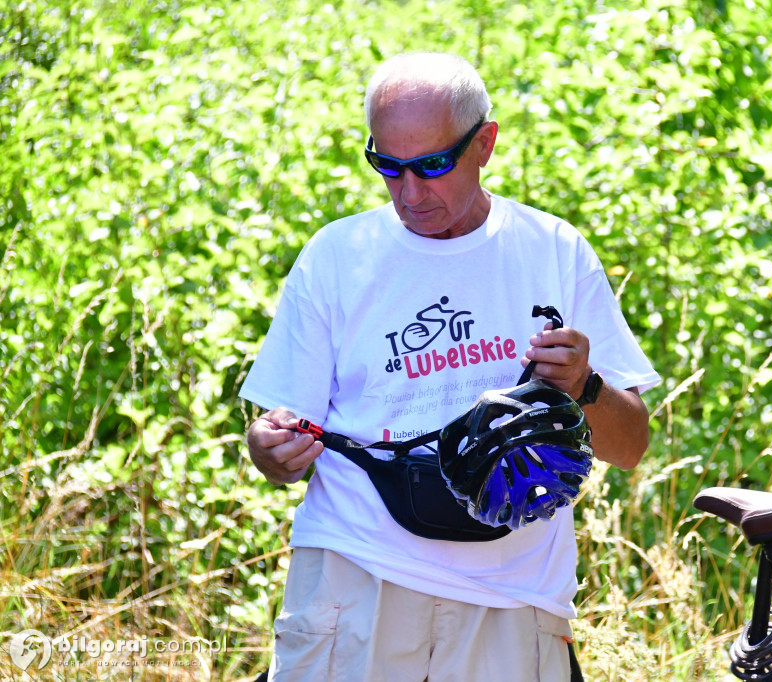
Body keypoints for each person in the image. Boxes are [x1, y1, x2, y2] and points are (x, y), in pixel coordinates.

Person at [241, 52, 659, 681]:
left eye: (433, 165)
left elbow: (630, 446)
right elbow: (279, 436)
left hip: (514, 594)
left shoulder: (552, 250)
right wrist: (268, 450)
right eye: (388, 166)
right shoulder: (337, 256)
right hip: (358, 573)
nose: (411, 193)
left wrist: (586, 385)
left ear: (485, 142)